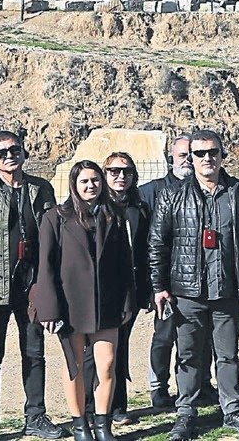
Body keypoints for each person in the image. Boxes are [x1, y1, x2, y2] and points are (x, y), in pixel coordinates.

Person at [150, 129, 239, 440]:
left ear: (222, 155)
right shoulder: (172, 195)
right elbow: (158, 243)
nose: (207, 158)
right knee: (188, 356)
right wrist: (159, 286)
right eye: (199, 153)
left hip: (227, 290)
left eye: (212, 152)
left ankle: (233, 409)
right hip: (187, 292)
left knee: (228, 355)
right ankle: (185, 412)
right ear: (191, 157)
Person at [0, 130, 66, 441]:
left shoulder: (41, 189)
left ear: (23, 152)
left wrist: (53, 288)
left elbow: (55, 241)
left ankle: (36, 416)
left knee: (34, 352)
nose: (9, 155)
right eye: (1, 152)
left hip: (31, 287)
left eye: (14, 149)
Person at [33, 160, 141, 441]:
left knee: (107, 364)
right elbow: (45, 267)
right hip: (71, 307)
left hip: (108, 305)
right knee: (76, 366)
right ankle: (81, 426)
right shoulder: (55, 218)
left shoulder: (114, 216)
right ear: (74, 185)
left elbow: (124, 263)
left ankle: (103, 426)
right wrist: (49, 309)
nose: (91, 185)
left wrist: (128, 301)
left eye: (95, 180)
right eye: (84, 181)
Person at [137, 135, 192, 413]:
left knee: (196, 336)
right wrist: (153, 281)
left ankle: (197, 384)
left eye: (192, 154)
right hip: (164, 279)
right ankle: (158, 387)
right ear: (171, 159)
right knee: (164, 335)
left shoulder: (204, 188)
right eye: (182, 155)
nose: (188, 160)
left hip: (194, 279)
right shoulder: (150, 192)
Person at [100, 152, 152, 428]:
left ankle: (118, 405)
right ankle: (94, 406)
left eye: (127, 171)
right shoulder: (95, 206)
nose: (121, 176)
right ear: (104, 174)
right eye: (114, 171)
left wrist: (149, 289)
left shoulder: (140, 209)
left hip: (129, 291)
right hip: (100, 290)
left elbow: (146, 252)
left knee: (120, 347)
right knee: (98, 350)